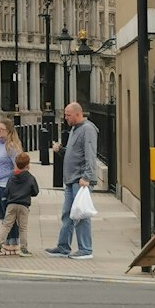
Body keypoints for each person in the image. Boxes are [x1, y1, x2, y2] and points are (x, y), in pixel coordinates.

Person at [46, 101, 99, 259]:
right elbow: (75, 152)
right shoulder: (75, 129)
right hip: (71, 179)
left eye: (68, 115)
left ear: (78, 114)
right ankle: (63, 247)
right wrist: (61, 150)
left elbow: (90, 155)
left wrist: (86, 177)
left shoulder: (88, 130)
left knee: (80, 214)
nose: (66, 118)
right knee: (68, 214)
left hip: (80, 180)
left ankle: (86, 249)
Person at [0, 152, 39, 258]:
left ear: (16, 164)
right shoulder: (30, 178)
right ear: (28, 165)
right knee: (23, 228)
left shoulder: (12, 177)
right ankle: (23, 249)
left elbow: (7, 191)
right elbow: (35, 191)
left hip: (11, 204)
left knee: (6, 225)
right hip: (24, 205)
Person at [0, 117, 22, 249]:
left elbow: (17, 167)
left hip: (6, 185)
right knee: (2, 214)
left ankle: (13, 241)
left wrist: (1, 175)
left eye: (2, 129)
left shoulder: (11, 147)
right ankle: (8, 240)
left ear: (9, 131)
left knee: (8, 215)